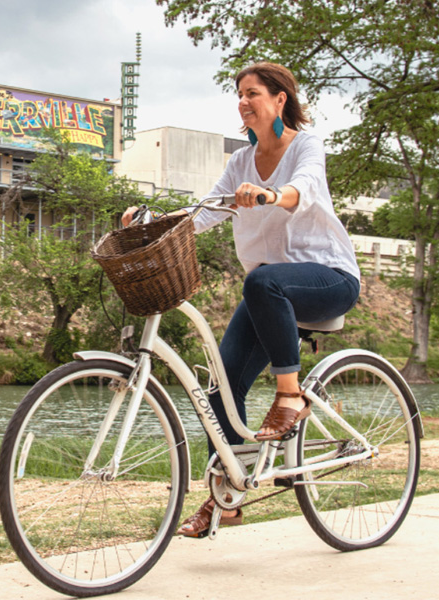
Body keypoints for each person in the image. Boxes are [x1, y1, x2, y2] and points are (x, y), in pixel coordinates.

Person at [123, 62, 361, 537]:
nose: (243, 101)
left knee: (261, 280)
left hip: (329, 279)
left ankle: (290, 396)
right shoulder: (240, 163)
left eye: (253, 92)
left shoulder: (306, 145)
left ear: (279, 100)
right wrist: (152, 222)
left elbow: (305, 189)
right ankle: (227, 495)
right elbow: (207, 211)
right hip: (271, 292)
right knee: (219, 388)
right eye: (239, 94)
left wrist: (273, 194)